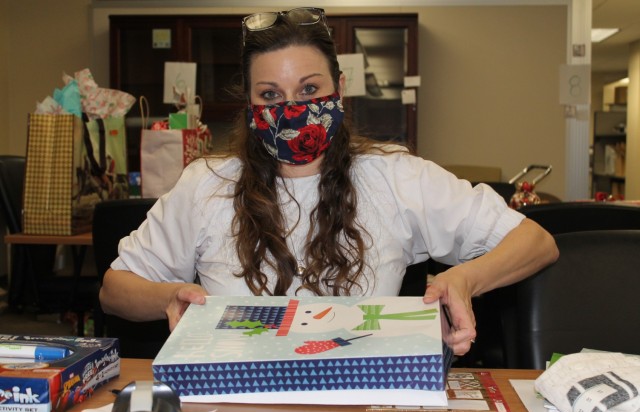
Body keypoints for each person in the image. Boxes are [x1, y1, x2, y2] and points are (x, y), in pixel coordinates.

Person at [99, 7, 559, 356]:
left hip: (359, 399)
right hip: (237, 403)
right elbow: (114, 290)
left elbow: (536, 242)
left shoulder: (394, 175)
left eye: (309, 90)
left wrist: (465, 278)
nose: (292, 109)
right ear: (250, 103)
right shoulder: (207, 184)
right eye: (271, 95)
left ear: (338, 88)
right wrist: (167, 296)